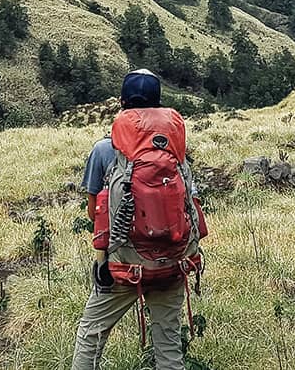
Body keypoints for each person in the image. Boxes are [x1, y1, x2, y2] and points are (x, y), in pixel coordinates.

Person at [71, 69, 196, 370]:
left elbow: (94, 213)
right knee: (168, 344)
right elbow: (188, 206)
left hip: (123, 267)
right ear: (158, 104)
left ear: (122, 102)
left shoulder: (104, 149)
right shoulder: (176, 152)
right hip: (172, 262)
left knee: (91, 336)